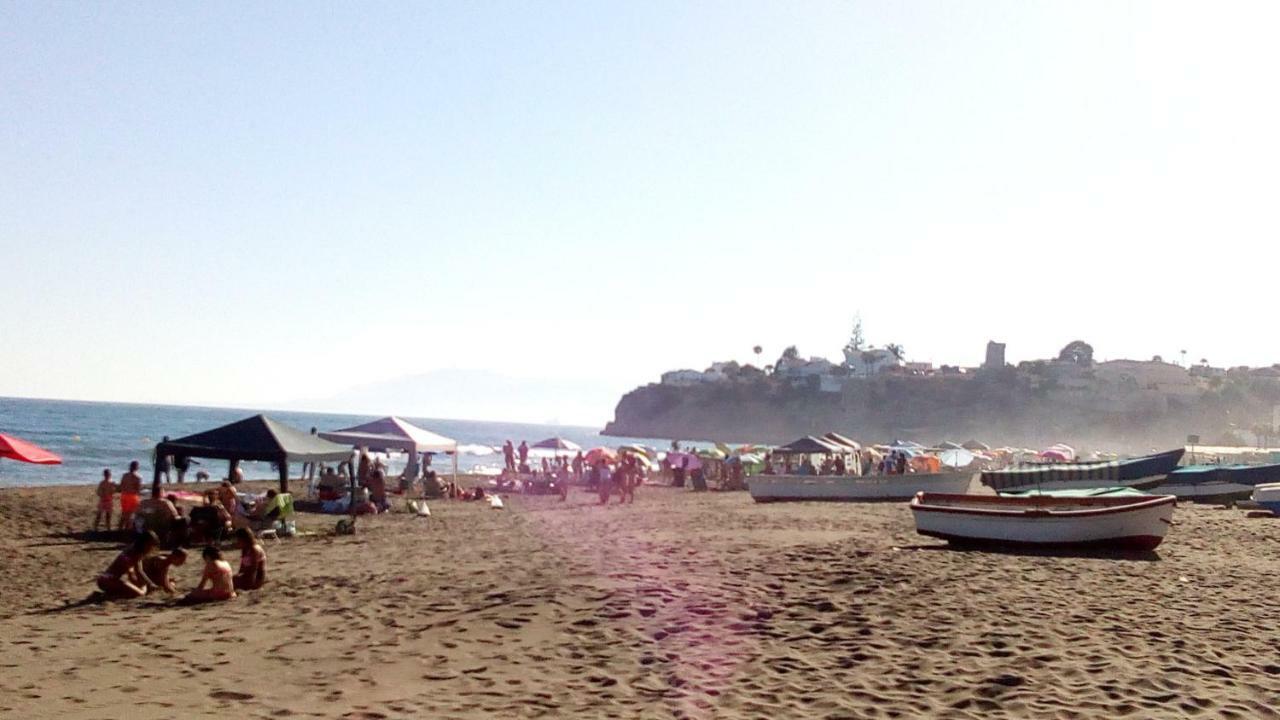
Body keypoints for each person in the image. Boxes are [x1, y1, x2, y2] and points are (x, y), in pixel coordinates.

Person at [96, 531, 159, 600]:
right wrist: (147, 584)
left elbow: (139, 571)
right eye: (150, 545)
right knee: (140, 593)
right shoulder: (131, 554)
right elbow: (133, 574)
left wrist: (148, 583)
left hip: (110, 580)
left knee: (140, 589)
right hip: (109, 581)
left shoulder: (136, 553)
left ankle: (108, 595)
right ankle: (107, 596)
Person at [118, 461, 144, 532]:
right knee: (131, 514)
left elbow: (121, 486)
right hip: (132, 496)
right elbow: (138, 490)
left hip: (124, 495)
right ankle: (127, 529)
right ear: (137, 467)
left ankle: (120, 528)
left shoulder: (125, 475)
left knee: (124, 513)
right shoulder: (138, 477)